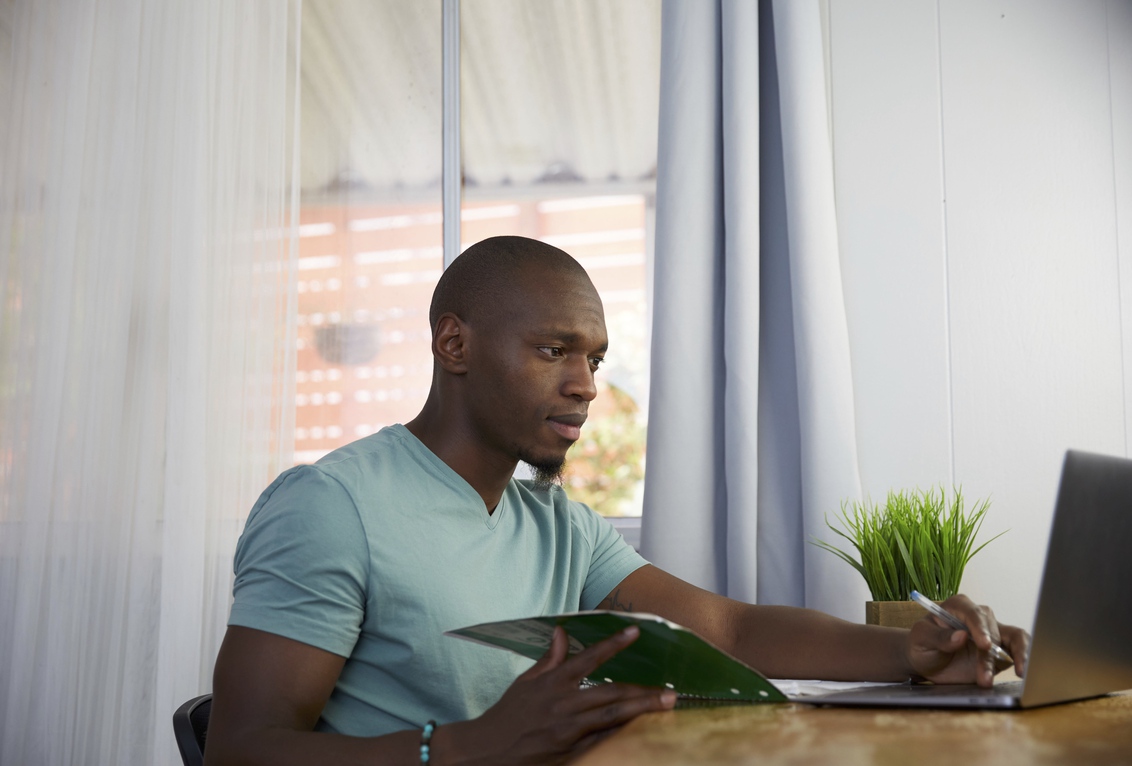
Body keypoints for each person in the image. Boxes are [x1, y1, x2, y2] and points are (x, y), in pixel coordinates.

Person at [205, 235, 1031, 766]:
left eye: (595, 359)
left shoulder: (553, 522)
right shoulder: (329, 505)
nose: (585, 386)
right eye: (554, 350)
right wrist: (461, 747)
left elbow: (732, 629)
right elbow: (239, 750)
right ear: (453, 344)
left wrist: (911, 656)